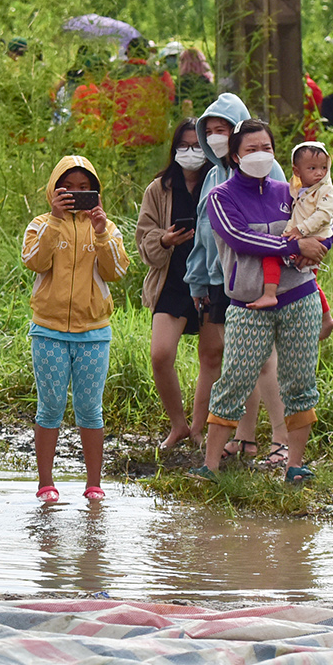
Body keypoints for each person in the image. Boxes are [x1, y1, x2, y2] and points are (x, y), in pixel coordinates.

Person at [195, 119, 332, 485]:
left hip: (299, 298)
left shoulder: (290, 192)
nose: (260, 155)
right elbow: (240, 240)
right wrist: (293, 245)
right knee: (234, 379)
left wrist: (315, 251)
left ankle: (295, 465)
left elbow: (321, 228)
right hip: (248, 304)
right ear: (235, 155)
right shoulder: (220, 197)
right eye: (252, 149)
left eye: (267, 149)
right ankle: (210, 467)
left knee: (300, 382)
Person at [184, 94, 288, 464]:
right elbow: (202, 234)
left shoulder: (268, 171)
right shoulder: (214, 176)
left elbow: (282, 223)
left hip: (262, 277)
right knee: (239, 359)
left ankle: (281, 438)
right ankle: (245, 437)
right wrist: (198, 282)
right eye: (208, 131)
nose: (215, 138)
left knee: (265, 360)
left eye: (223, 130)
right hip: (221, 280)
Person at [22, 155, 131, 504]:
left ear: (96, 192)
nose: (77, 194)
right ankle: (45, 483)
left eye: (86, 189)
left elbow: (116, 271)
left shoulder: (107, 228)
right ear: (54, 190)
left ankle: (94, 483)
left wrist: (100, 233)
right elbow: (33, 261)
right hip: (48, 330)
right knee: (50, 406)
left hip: (94, 332)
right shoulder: (40, 224)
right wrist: (55, 219)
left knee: (90, 407)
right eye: (68, 188)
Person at [136, 118, 208, 452]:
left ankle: (199, 427)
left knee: (213, 357)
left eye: (198, 145)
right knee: (161, 354)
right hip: (172, 281)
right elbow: (143, 237)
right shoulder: (159, 188)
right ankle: (178, 425)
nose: (191, 152)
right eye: (184, 145)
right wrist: (164, 240)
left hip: (212, 282)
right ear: (174, 149)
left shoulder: (218, 180)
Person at [246, 141, 333, 312]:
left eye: (324, 168)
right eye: (312, 168)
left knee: (307, 280)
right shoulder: (296, 190)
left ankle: (270, 294)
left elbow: (325, 216)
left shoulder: (326, 191)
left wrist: (301, 232)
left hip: (313, 238)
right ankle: (325, 316)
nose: (320, 173)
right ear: (297, 171)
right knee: (305, 276)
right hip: (298, 238)